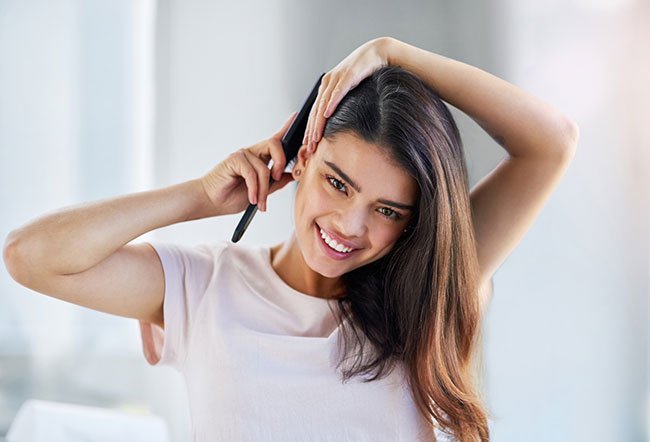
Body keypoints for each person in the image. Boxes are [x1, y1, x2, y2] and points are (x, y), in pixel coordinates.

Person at [3, 36, 579, 441]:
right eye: (337, 182)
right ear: (303, 154)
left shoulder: (427, 295)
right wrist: (202, 196)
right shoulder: (204, 287)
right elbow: (31, 257)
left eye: (387, 210)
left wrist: (393, 53)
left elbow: (551, 142)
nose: (351, 227)